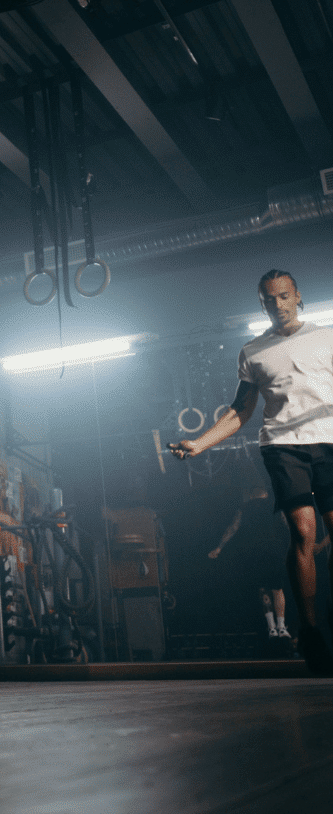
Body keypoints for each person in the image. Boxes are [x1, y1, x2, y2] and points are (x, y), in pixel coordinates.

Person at [170, 269, 333, 674]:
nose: (277, 305)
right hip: (282, 447)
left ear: (298, 296)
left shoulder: (326, 337)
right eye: (268, 300)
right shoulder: (253, 352)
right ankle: (309, 631)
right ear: (261, 304)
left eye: (283, 296)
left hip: (329, 443)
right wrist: (199, 443)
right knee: (304, 532)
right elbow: (240, 411)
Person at [208, 486, 291, 643]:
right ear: (265, 494)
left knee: (263, 589)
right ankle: (281, 626)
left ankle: (271, 626)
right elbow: (287, 524)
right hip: (274, 551)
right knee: (277, 589)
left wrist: (219, 547)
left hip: (256, 553)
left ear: (252, 495)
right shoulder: (274, 504)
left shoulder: (245, 507)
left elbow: (232, 528)